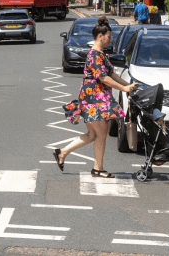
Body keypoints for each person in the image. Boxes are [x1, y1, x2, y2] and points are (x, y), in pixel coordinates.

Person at [56, 16, 139, 178]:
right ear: (101, 37)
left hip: (95, 99)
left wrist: (128, 86)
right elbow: (103, 78)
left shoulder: (100, 54)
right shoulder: (94, 56)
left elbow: (112, 74)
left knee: (93, 135)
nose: (111, 39)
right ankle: (98, 168)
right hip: (94, 100)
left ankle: (62, 153)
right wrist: (123, 88)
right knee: (101, 134)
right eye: (109, 37)